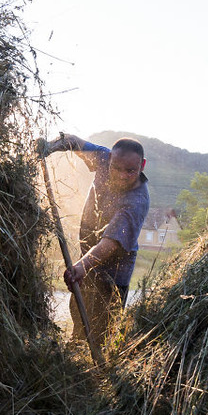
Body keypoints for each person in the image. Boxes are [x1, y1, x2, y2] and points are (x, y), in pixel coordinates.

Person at [36, 133, 150, 350]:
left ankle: (98, 370)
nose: (121, 175)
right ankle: (74, 356)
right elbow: (73, 142)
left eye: (130, 171)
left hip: (113, 275)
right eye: (116, 168)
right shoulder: (103, 158)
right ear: (110, 160)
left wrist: (82, 266)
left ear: (142, 166)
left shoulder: (137, 200)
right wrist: (48, 148)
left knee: (100, 333)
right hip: (86, 261)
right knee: (78, 316)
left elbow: (111, 243)